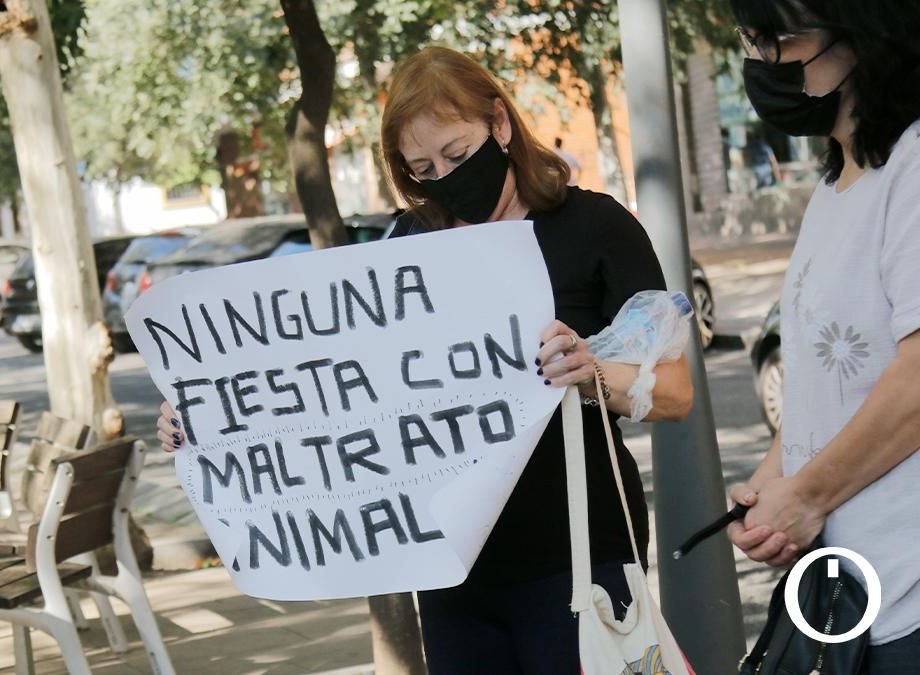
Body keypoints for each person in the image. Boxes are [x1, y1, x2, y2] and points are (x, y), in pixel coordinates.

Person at [156, 46, 694, 672]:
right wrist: (210, 412)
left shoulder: (595, 227)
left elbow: (675, 393)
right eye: (423, 168)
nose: (444, 177)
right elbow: (329, 379)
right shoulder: (408, 245)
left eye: (458, 155)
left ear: (499, 123)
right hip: (451, 562)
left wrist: (592, 373)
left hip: (578, 552)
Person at [726, 1, 920, 667]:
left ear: (866, 35)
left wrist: (806, 497)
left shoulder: (914, 168)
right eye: (751, 40)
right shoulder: (835, 188)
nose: (760, 61)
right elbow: (829, 374)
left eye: (778, 40)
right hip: (852, 594)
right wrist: (774, 478)